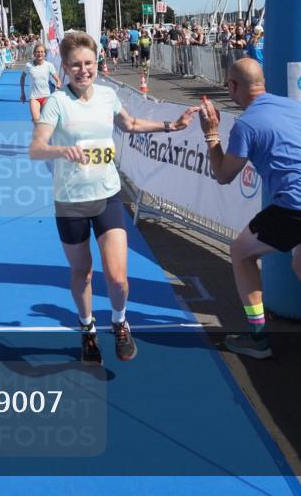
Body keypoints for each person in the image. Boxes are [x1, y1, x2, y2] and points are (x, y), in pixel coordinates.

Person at [29, 32, 197, 365]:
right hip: (71, 201)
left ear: (97, 63)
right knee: (84, 273)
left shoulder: (108, 96)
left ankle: (120, 322)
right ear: (64, 67)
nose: (83, 70)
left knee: (118, 277)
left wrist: (171, 125)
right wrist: (62, 149)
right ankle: (87, 327)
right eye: (75, 65)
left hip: (107, 195)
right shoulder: (57, 103)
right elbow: (36, 148)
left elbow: (130, 123)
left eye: (88, 63)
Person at [197, 58, 301, 363]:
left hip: (300, 205)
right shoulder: (295, 107)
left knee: (240, 253)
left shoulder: (246, 124)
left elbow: (223, 175)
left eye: (227, 85)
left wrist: (211, 134)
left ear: (234, 86)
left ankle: (259, 337)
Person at [20, 43, 61, 123]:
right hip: (34, 97)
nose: (40, 54)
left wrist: (57, 87)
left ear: (45, 53)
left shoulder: (49, 65)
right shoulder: (28, 65)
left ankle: (44, 135)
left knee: (46, 121)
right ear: (34, 53)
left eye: (42, 52)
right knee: (36, 120)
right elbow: (22, 77)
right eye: (38, 52)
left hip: (46, 96)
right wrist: (22, 93)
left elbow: (58, 81)